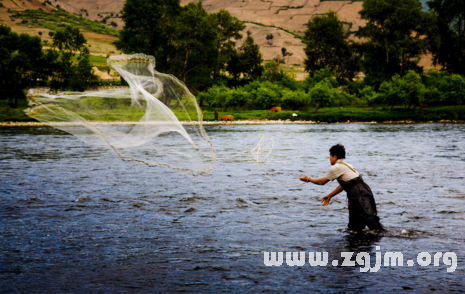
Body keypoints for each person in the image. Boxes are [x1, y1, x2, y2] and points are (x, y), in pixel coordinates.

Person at [299, 144, 385, 232]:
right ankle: (360, 244)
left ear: (334, 157)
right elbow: (344, 185)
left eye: (330, 156)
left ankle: (382, 242)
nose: (329, 158)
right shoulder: (347, 165)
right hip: (360, 192)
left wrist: (308, 179)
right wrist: (330, 196)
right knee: (355, 225)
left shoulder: (336, 167)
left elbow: (322, 182)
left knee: (372, 222)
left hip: (360, 194)